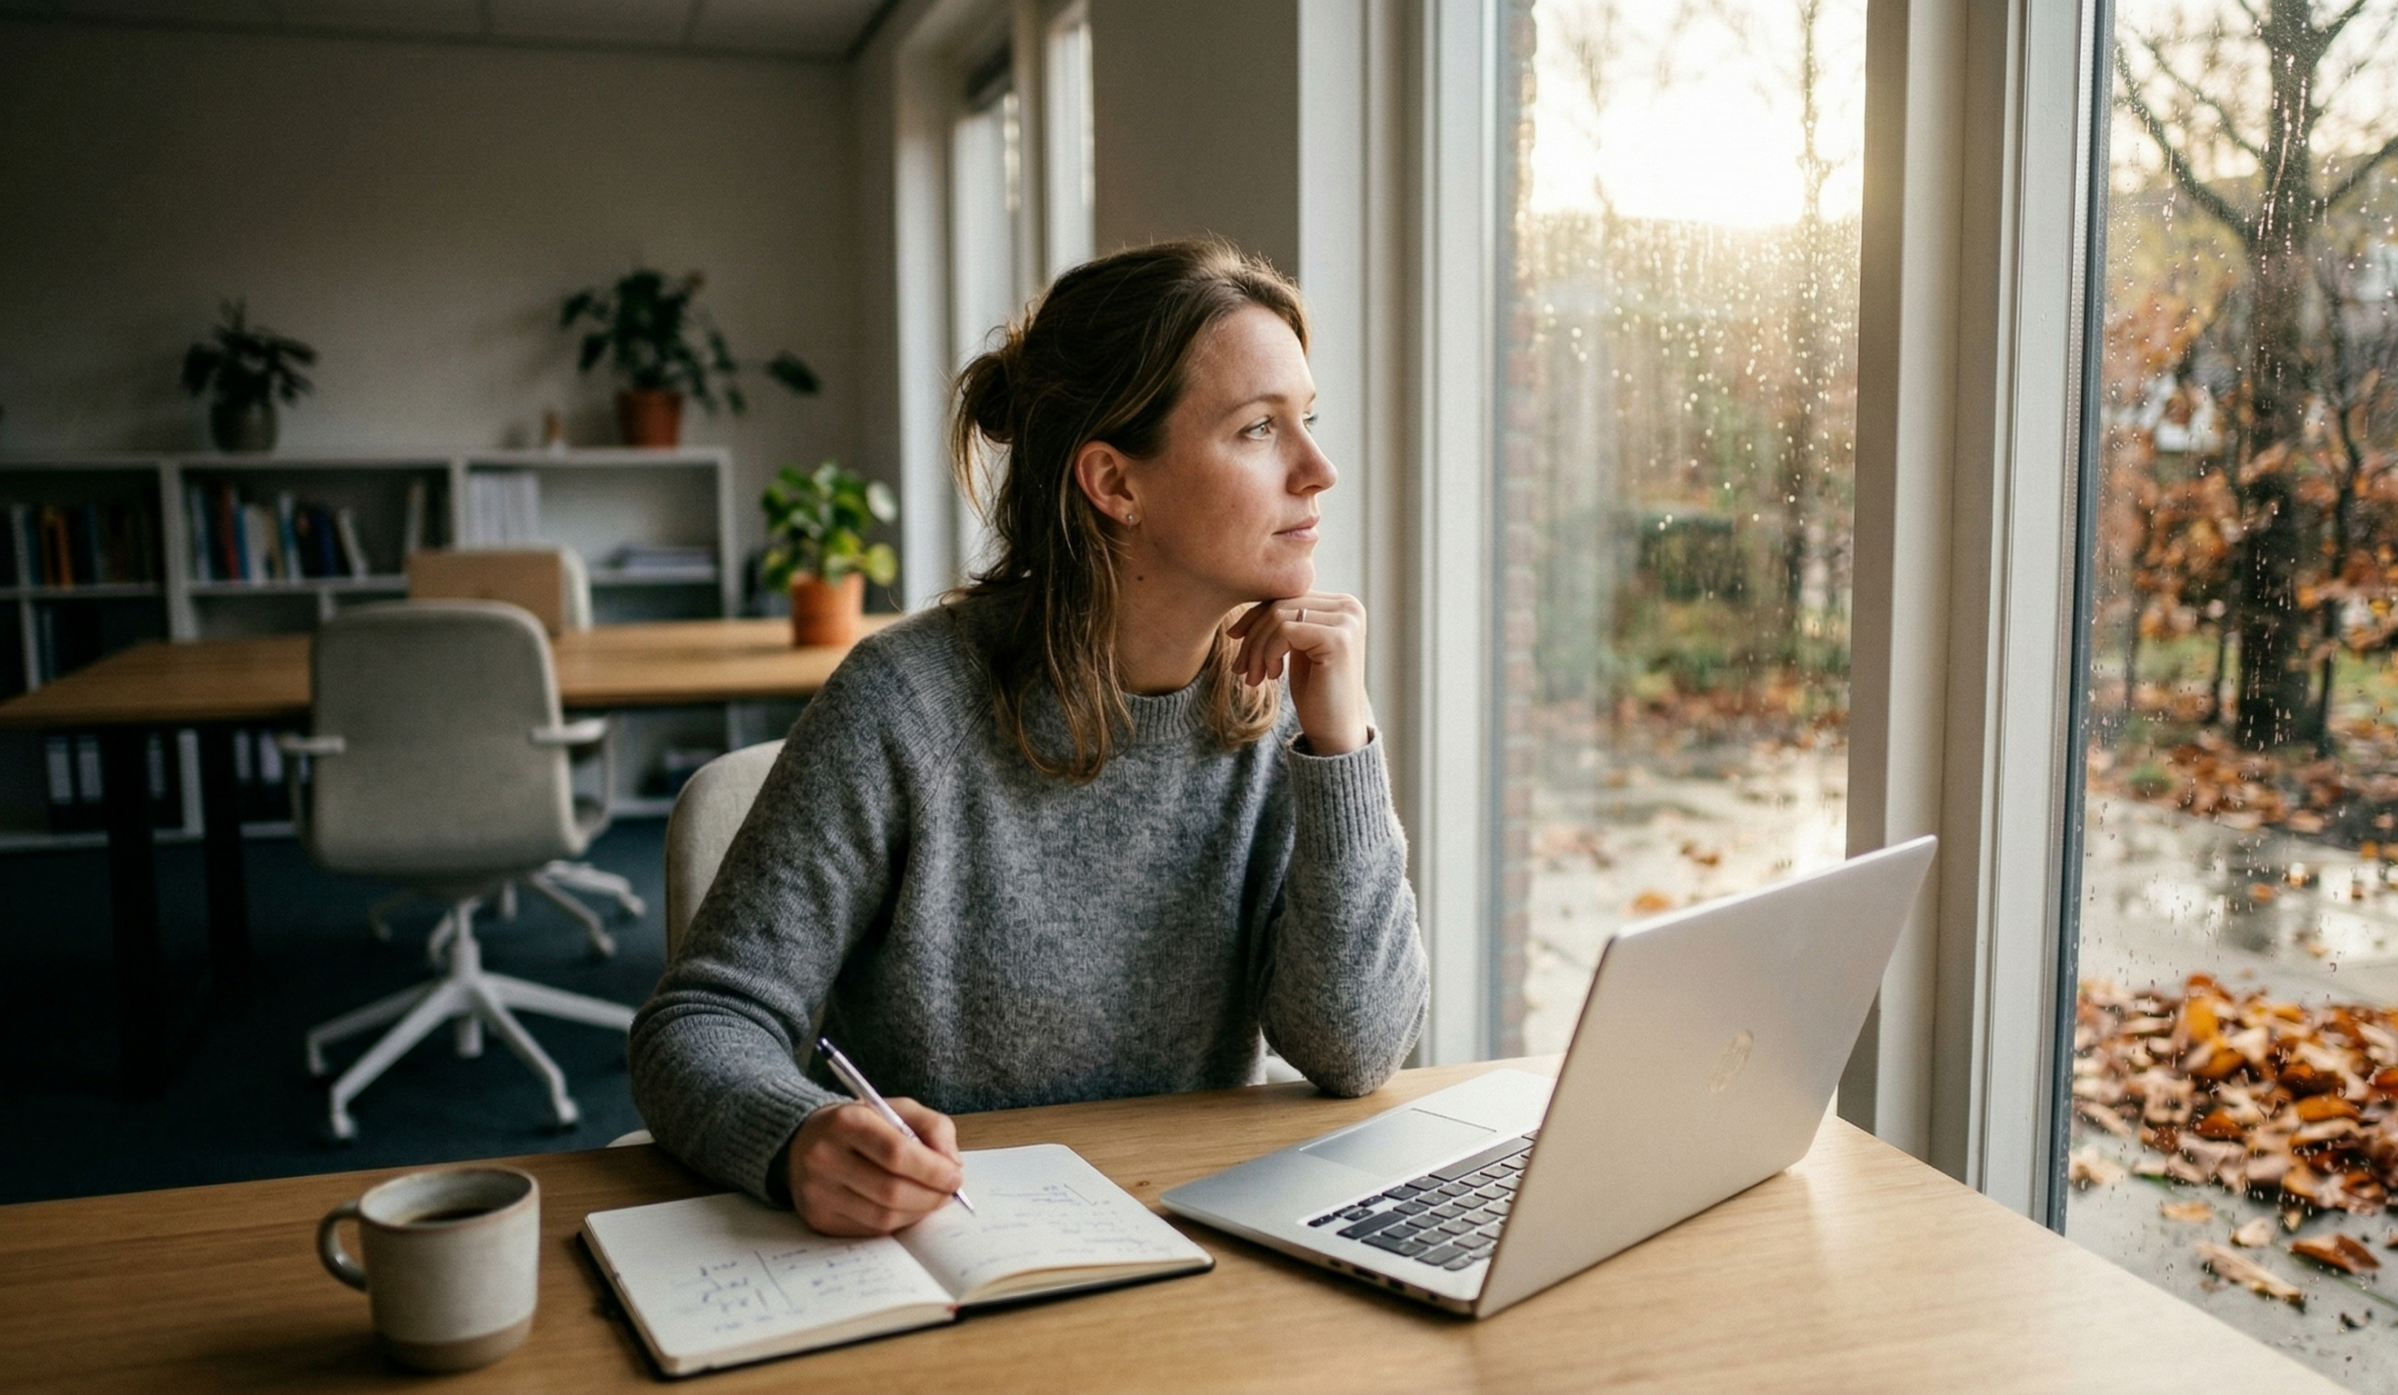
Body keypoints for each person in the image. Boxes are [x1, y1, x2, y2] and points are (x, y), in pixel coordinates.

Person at [629, 239, 1427, 1237]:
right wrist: (796, 1138)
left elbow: (1354, 1049)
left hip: (1189, 1242)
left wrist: (1340, 748)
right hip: (951, 1248)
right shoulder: (905, 704)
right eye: (1259, 429)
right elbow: (698, 1025)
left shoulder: (1279, 710)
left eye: (1306, 420)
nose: (1321, 469)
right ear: (1114, 483)